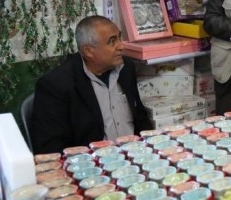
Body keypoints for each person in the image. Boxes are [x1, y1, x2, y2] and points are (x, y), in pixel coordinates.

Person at [30, 15, 151, 153]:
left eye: (119, 38)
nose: (121, 46)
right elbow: (51, 148)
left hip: (133, 154)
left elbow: (141, 118)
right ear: (88, 51)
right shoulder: (56, 84)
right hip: (91, 161)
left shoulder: (126, 68)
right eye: (112, 41)